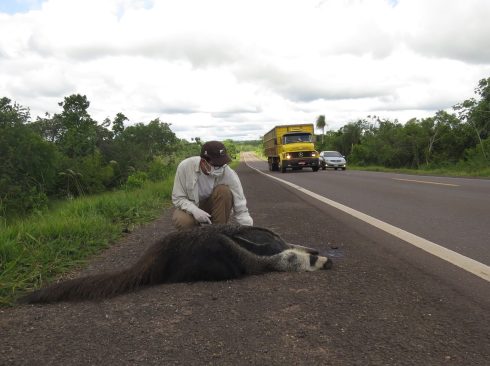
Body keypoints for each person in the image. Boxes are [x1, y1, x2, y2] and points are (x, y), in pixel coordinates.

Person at [171, 140, 253, 230]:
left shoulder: (228, 172)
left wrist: (248, 229)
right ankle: (196, 237)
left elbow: (240, 204)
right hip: (190, 209)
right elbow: (178, 198)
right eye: (217, 165)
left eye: (223, 164)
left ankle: (218, 232)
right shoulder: (185, 167)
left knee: (224, 191)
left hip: (214, 208)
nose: (221, 168)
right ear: (203, 161)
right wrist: (194, 210)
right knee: (182, 220)